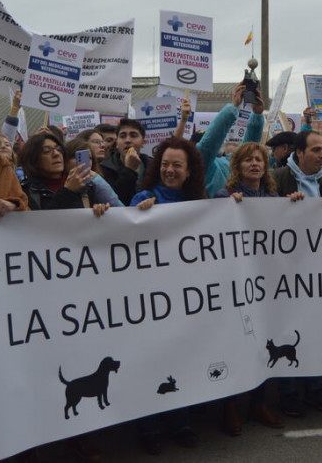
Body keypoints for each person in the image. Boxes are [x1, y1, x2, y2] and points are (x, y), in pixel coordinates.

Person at [130, 136, 204, 453]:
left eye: (176, 165)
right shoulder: (143, 197)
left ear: (189, 172)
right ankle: (147, 427)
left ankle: (180, 421)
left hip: (184, 299)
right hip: (150, 299)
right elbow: (124, 238)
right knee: (150, 361)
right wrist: (138, 214)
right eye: (164, 165)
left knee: (180, 360)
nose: (169, 170)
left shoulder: (200, 205)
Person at [211, 142, 286, 435]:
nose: (255, 164)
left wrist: (291, 204)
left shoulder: (273, 196)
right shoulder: (224, 196)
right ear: (238, 166)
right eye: (248, 160)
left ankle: (258, 402)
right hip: (235, 282)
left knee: (262, 341)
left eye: (259, 160)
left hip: (263, 282)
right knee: (234, 342)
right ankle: (229, 405)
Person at [269, 129, 322, 417]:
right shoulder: (278, 179)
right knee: (287, 328)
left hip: (319, 271)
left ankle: (315, 387)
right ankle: (287, 393)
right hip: (285, 271)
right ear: (299, 152)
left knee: (316, 329)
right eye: (316, 150)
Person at [19, 134, 110, 215]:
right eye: (47, 151)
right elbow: (44, 223)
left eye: (59, 149)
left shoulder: (86, 186)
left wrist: (99, 209)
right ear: (33, 159)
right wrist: (67, 191)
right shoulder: (26, 191)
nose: (56, 154)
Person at [100, 118, 151, 206]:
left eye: (133, 135)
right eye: (122, 136)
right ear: (116, 144)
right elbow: (116, 201)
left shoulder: (153, 165)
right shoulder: (104, 169)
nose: (127, 140)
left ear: (143, 142)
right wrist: (129, 170)